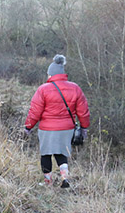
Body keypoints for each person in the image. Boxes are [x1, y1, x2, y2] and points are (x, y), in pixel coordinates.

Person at [24, 54, 90, 188]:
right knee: (61, 153)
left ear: (51, 74)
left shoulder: (43, 89)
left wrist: (28, 127)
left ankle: (48, 182)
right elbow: (83, 111)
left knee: (46, 154)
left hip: (47, 128)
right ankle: (65, 178)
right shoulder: (75, 88)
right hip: (67, 128)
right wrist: (84, 128)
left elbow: (35, 111)